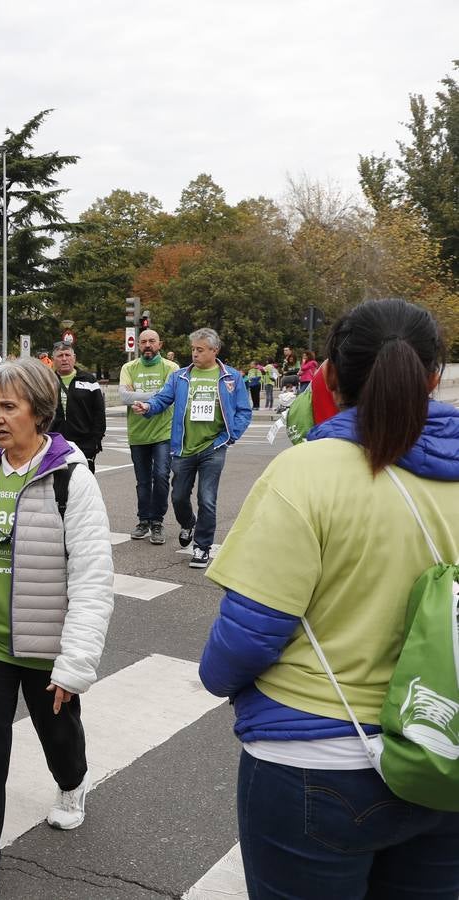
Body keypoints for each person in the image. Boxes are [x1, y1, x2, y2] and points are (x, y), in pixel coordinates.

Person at [198, 298, 459, 898]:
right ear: (433, 377)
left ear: (331, 377)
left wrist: (216, 678)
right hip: (442, 750)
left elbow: (247, 637)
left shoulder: (306, 473)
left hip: (317, 758)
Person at [0, 359, 115, 900]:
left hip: (46, 646)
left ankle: (74, 781)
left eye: (10, 406)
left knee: (59, 736)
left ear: (40, 410)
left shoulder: (70, 478)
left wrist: (75, 663)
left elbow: (92, 577)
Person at [132, 328, 252, 569]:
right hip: (184, 448)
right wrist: (148, 407)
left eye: (200, 350)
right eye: (193, 350)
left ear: (214, 350)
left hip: (214, 447)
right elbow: (162, 399)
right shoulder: (180, 377)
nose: (194, 354)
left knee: (207, 498)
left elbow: (244, 411)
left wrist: (230, 436)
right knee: (178, 496)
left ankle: (202, 547)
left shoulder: (230, 377)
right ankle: (188, 523)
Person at [118, 329, 180, 544]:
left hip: (164, 432)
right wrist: (160, 394)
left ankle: (157, 522)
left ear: (159, 344)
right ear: (138, 345)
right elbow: (125, 396)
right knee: (143, 481)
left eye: (152, 341)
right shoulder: (129, 367)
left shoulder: (171, 368)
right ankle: (143, 520)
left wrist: (145, 395)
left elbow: (172, 395)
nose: (147, 345)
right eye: (143, 342)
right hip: (138, 434)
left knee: (161, 477)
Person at [47, 342, 106, 472]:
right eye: (60, 355)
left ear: (74, 358)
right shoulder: (47, 381)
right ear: (53, 360)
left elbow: (99, 412)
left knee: (83, 485)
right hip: (54, 443)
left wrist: (95, 442)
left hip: (84, 443)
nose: (64, 359)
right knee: (57, 485)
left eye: (67, 355)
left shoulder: (88, 380)